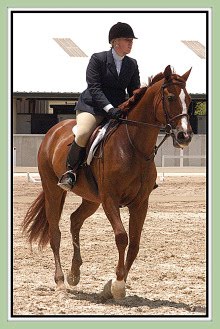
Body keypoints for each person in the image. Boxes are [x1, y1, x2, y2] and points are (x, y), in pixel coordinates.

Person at [58, 22, 140, 191]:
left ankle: (142, 173)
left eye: (132, 40)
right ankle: (70, 172)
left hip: (118, 110)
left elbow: (134, 92)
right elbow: (94, 88)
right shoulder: (98, 59)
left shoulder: (132, 64)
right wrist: (109, 108)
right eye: (127, 40)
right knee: (82, 133)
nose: (131, 43)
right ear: (115, 42)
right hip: (93, 107)